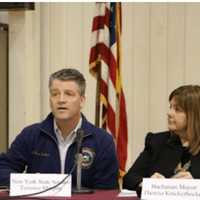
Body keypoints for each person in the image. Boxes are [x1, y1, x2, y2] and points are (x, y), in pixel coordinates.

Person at [0, 68, 119, 189]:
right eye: (55, 94)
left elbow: (106, 192)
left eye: (69, 94)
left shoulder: (102, 141)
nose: (61, 100)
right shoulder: (31, 134)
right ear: (50, 100)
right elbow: (3, 169)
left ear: (82, 101)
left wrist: (67, 192)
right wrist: (31, 183)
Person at [123, 85, 200, 196]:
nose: (169, 113)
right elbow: (129, 179)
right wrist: (149, 183)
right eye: (170, 107)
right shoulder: (157, 141)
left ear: (194, 115)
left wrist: (195, 186)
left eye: (177, 109)